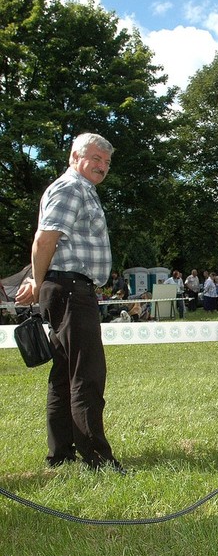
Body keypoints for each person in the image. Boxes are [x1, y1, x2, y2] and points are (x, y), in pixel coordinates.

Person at [14, 132, 124, 472]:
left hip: (67, 288)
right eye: (96, 158)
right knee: (87, 375)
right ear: (75, 156)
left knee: (64, 374)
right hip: (70, 290)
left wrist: (40, 279)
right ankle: (97, 460)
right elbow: (44, 240)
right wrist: (36, 278)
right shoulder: (71, 188)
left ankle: (60, 455)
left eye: (106, 162)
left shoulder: (81, 190)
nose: (102, 166)